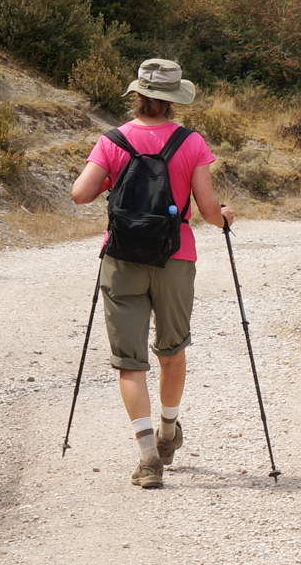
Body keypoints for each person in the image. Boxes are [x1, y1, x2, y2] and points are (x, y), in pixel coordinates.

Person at [72, 59, 235, 489]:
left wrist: (116, 182)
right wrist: (226, 217)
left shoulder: (113, 141)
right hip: (176, 258)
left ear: (138, 95)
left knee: (131, 363)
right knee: (172, 349)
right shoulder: (191, 142)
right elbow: (208, 210)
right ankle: (167, 431)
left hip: (123, 256)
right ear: (175, 99)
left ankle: (148, 460)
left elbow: (80, 194)